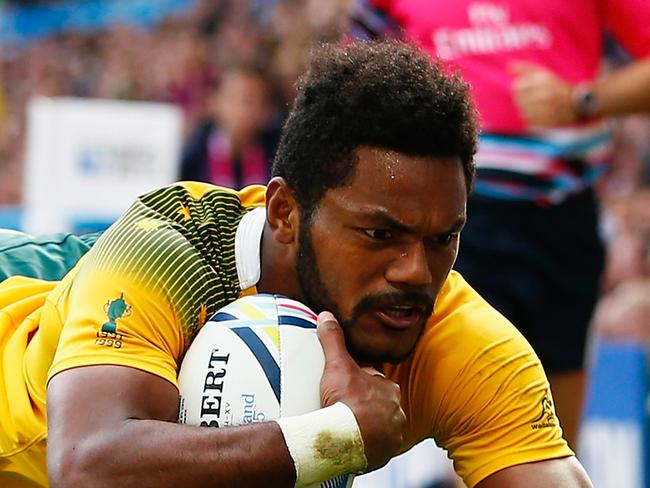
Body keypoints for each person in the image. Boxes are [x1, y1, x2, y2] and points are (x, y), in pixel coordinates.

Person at [0, 41, 592, 488]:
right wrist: (337, 438)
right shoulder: (172, 247)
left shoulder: (456, 339)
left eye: (444, 238)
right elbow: (88, 464)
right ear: (285, 212)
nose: (415, 271)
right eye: (380, 233)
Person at [350, 0, 650, 449]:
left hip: (564, 218)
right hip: (455, 227)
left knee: (555, 442)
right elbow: (348, 91)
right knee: (481, 430)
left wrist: (581, 100)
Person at [179, 63, 280, 188]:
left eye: (251, 101)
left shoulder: (278, 155)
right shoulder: (192, 158)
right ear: (214, 102)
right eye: (234, 98)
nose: (242, 110)